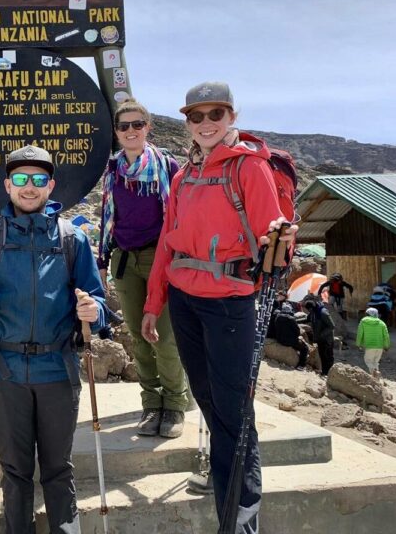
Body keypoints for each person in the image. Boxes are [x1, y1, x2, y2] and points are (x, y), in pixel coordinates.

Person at [140, 82, 296, 532]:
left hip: (230, 302)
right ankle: (232, 489)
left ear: (231, 117)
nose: (206, 124)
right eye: (196, 116)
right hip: (186, 302)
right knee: (208, 399)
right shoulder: (182, 176)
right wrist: (155, 303)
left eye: (216, 115)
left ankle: (241, 509)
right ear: (187, 122)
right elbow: (168, 244)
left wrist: (279, 243)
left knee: (232, 409)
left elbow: (274, 241)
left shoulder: (249, 167)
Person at [0, 145, 107, 534]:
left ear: (50, 186)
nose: (29, 187)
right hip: (5, 372)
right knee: (15, 471)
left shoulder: (72, 239)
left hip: (58, 369)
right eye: (20, 179)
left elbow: (97, 300)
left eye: (38, 179)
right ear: (7, 185)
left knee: (58, 469)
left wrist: (95, 311)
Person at [96, 98, 189, 439]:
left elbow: (181, 213)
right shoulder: (113, 170)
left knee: (164, 336)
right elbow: (109, 216)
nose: (131, 131)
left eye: (137, 124)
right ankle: (151, 403)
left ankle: (175, 405)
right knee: (137, 335)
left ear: (148, 127)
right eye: (124, 126)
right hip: (124, 258)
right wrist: (104, 256)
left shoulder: (167, 166)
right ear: (117, 133)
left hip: (161, 258)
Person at [302, 295, 335, 376]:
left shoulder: (323, 312)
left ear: (311, 308)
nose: (309, 311)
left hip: (327, 339)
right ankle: (324, 373)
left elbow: (332, 326)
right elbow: (308, 319)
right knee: (322, 356)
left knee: (328, 358)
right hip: (320, 339)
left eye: (309, 310)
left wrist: (321, 335)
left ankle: (330, 375)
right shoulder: (313, 312)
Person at [357, 307, 391, 377]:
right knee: (375, 362)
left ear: (367, 314)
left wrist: (358, 344)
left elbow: (360, 333)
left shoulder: (363, 321)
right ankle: (375, 378)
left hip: (369, 346)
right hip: (380, 346)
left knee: (368, 361)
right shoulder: (382, 323)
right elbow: (386, 336)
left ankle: (375, 373)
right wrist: (386, 346)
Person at [274, 302, 308, 369]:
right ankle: (301, 365)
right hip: (289, 342)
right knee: (305, 348)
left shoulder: (277, 317)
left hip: (279, 340)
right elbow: (297, 332)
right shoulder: (292, 319)